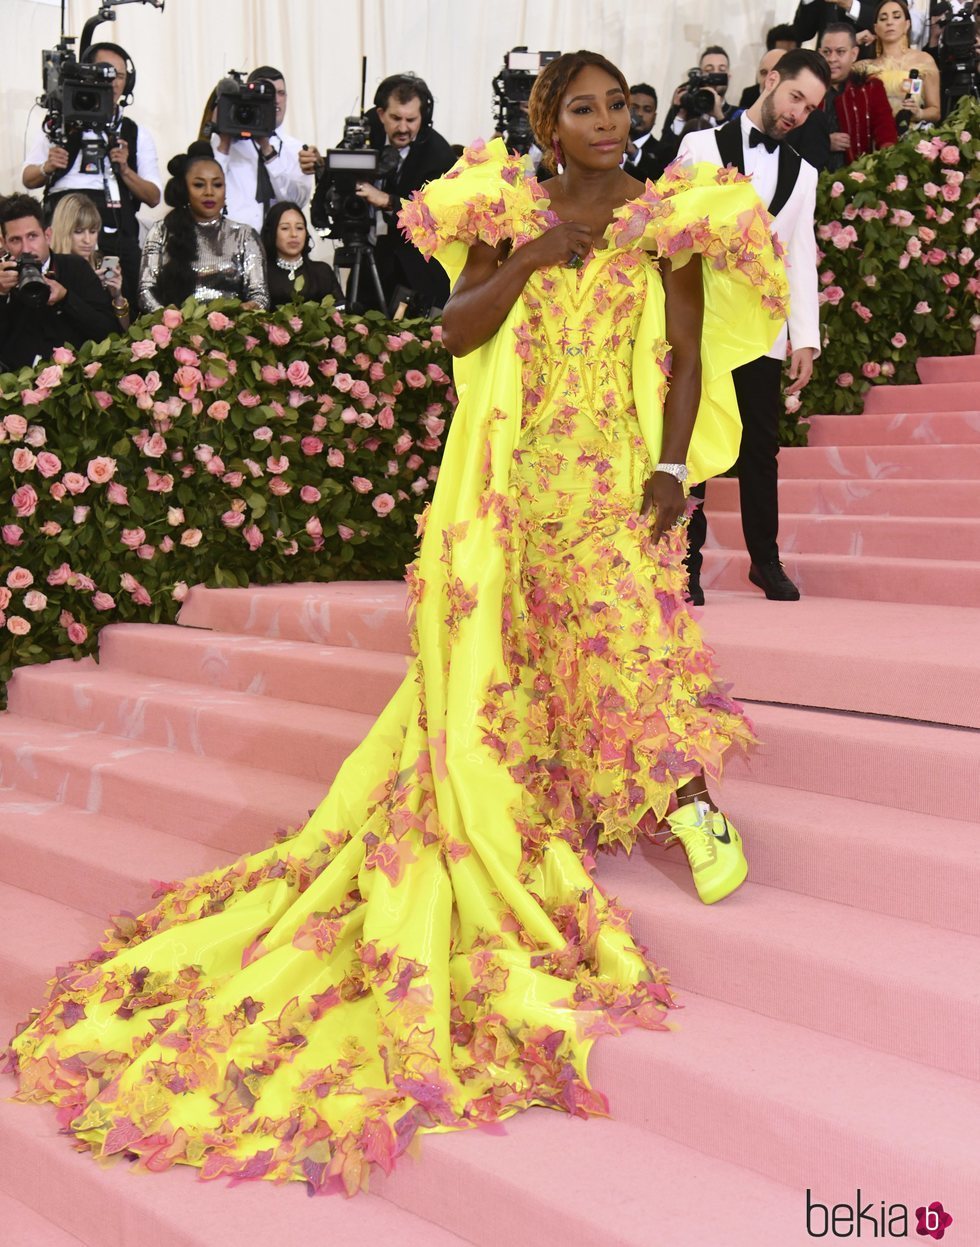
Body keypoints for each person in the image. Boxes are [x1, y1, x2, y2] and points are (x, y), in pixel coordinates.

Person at [0, 50, 789, 1194]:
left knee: (627, 629)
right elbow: (457, 333)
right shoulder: (501, 207)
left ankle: (685, 800)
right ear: (546, 123)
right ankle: (535, 794)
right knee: (506, 653)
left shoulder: (667, 213)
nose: (610, 124)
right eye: (584, 109)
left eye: (621, 106)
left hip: (611, 469)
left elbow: (677, 351)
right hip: (508, 478)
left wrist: (673, 464)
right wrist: (523, 258)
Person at [678, 48, 830, 603]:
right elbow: (676, 233)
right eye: (795, 97)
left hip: (762, 332)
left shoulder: (805, 173)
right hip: (703, 326)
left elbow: (798, 256)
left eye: (810, 108)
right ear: (770, 80)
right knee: (690, 442)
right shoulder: (700, 147)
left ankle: (765, 561)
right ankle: (685, 566)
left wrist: (804, 338)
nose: (798, 113)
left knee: (761, 448)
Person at [22, 42, 162, 306]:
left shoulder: (136, 132)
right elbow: (28, 178)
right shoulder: (59, 122)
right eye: (104, 72)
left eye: (119, 75)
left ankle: (114, 339)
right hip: (64, 225)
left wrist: (126, 170)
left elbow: (154, 196)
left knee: (112, 291)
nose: (111, 81)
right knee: (64, 290)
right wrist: (47, 167)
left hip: (112, 228)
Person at [310, 73, 456, 313]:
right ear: (380, 114)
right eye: (395, 118)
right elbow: (335, 172)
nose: (403, 128)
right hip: (372, 257)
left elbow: (438, 218)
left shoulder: (439, 156)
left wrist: (388, 201)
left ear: (424, 117)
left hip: (419, 268)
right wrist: (323, 219)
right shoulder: (363, 133)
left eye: (411, 120)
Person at [138, 142, 268, 313]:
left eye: (217, 185)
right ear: (185, 189)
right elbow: (146, 291)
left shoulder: (245, 235)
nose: (209, 192)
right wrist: (170, 320)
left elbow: (260, 295)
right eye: (199, 185)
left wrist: (239, 314)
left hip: (232, 332)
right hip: (176, 332)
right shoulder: (161, 231)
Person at [0, 193, 117, 371]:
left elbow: (110, 333)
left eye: (32, 236)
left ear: (47, 235)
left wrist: (66, 299)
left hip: (75, 381)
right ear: (4, 244)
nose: (26, 248)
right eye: (16, 240)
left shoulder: (75, 267)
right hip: (16, 385)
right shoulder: (3, 279)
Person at [211, 66, 314, 232]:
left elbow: (296, 203)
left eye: (280, 93)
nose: (275, 100)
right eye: (267, 93)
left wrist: (267, 149)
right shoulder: (225, 143)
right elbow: (209, 189)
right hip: (230, 241)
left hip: (278, 247)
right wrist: (224, 140)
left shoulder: (297, 149)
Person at [813, 22, 899, 167]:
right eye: (826, 52)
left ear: (854, 54)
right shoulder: (809, 88)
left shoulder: (870, 88)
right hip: (811, 178)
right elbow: (793, 135)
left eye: (840, 52)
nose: (832, 59)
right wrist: (823, 142)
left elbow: (886, 134)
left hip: (858, 179)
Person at [49, 191, 131, 330]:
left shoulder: (104, 265)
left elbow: (125, 332)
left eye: (92, 231)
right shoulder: (52, 269)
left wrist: (117, 297)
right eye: (79, 231)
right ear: (64, 231)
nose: (87, 240)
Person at [654, 46, 738, 177]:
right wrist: (680, 116)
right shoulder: (685, 109)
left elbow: (737, 155)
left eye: (721, 70)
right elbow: (663, 160)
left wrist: (719, 116)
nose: (715, 75)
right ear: (700, 75)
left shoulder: (737, 114)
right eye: (709, 70)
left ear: (729, 76)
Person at [861, 0, 941, 124]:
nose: (889, 22)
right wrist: (852, 41)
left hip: (912, 139)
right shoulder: (864, 67)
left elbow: (935, 111)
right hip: (875, 137)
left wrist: (919, 113)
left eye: (896, 17)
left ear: (907, 24)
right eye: (883, 19)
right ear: (876, 28)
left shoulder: (923, 60)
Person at [259, 200, 345, 308]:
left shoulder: (322, 272)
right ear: (271, 233)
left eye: (299, 228)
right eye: (285, 228)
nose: (294, 234)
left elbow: (341, 315)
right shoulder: (260, 275)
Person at [738, 47, 797, 112]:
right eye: (764, 73)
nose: (767, 79)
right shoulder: (749, 95)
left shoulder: (796, 104)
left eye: (775, 73)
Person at [623, 82, 660, 181]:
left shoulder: (665, 151)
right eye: (634, 108)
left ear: (654, 117)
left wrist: (635, 153)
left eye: (647, 110)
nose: (639, 114)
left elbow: (659, 177)